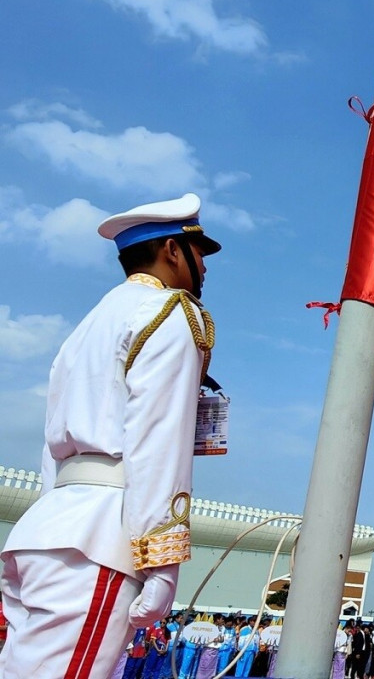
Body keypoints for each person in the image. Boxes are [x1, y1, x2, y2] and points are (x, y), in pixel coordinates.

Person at [0, 194, 220, 679]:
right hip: (102, 534)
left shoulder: (87, 326)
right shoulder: (170, 313)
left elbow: (49, 446)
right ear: (171, 249)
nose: (205, 266)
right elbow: (158, 440)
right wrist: (162, 561)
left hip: (46, 527)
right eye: (199, 251)